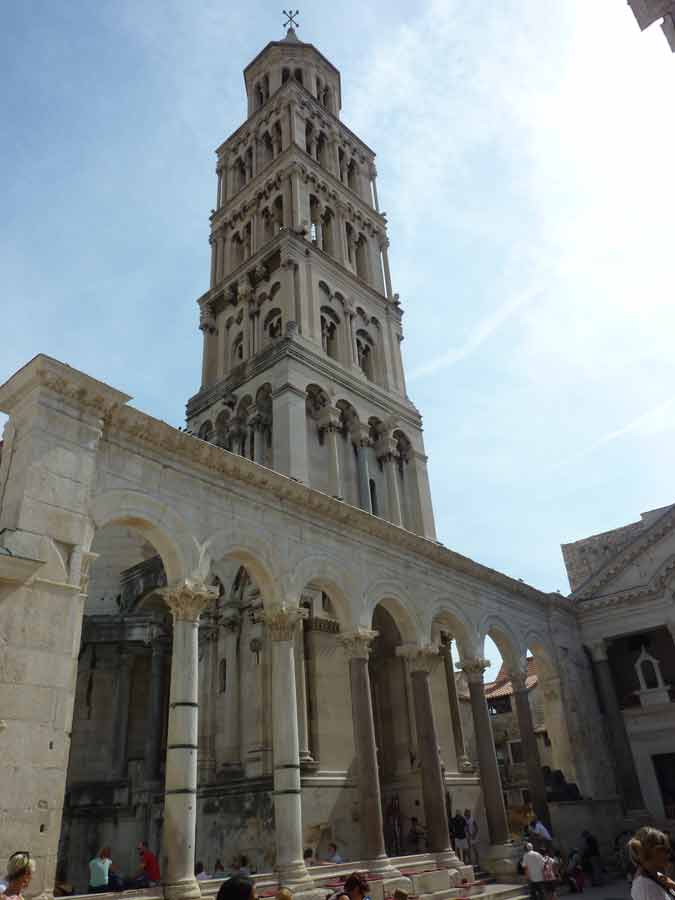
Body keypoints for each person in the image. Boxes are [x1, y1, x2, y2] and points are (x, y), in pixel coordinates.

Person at [629, 827, 675, 900]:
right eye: (666, 850)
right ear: (655, 852)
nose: (669, 855)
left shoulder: (655, 875)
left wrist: (672, 885)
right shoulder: (646, 887)